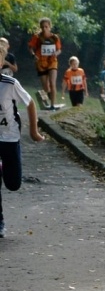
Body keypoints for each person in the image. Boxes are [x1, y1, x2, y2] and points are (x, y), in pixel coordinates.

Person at [0, 53, 45, 236]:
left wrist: (33, 132)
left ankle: (4, 167)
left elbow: (30, 103)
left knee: (13, 184)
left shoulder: (10, 84)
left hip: (9, 137)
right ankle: (0, 221)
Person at [28, 18, 62, 110]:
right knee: (46, 87)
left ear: (50, 27)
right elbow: (31, 47)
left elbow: (59, 50)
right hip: (41, 63)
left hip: (52, 62)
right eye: (42, 27)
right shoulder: (37, 37)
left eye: (46, 27)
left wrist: (56, 53)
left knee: (52, 83)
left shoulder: (55, 37)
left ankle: (52, 105)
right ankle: (50, 97)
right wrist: (33, 55)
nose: (44, 29)